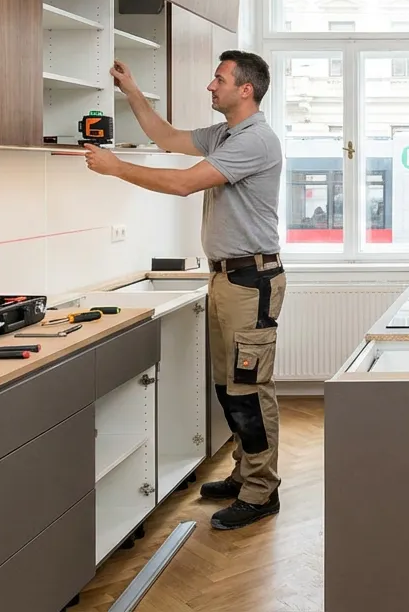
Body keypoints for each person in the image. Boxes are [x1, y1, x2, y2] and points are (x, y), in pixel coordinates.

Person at [83, 50, 286, 530]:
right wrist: (132, 90)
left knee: (248, 389)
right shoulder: (224, 134)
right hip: (227, 278)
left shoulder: (255, 141)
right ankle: (244, 475)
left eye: (219, 79)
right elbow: (167, 137)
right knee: (228, 386)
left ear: (245, 90)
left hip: (250, 280)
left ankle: (262, 491)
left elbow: (182, 184)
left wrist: (117, 168)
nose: (210, 86)